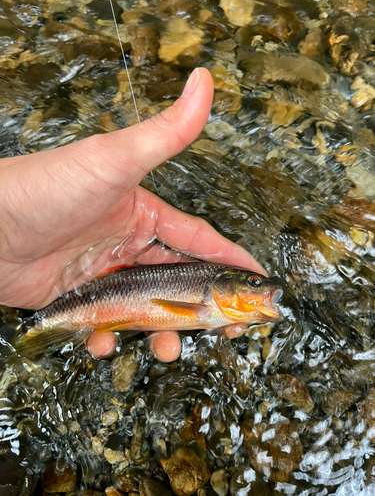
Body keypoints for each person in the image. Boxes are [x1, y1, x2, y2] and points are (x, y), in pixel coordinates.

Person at [0, 68, 266, 362]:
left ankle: (27, 334)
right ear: (223, 284)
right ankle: (26, 332)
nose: (261, 287)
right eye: (253, 282)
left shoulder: (212, 304)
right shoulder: (208, 303)